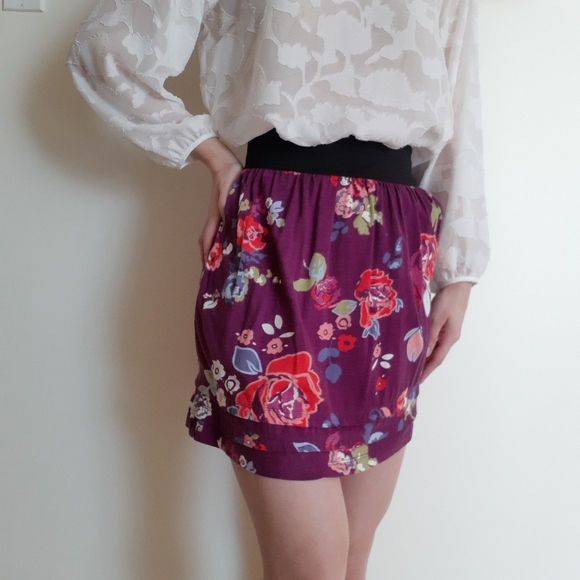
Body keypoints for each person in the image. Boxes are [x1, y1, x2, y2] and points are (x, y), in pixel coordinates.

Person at [68, 1, 489, 578]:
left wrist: (459, 273)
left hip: (390, 254)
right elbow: (106, 49)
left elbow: (459, 104)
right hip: (274, 235)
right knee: (311, 565)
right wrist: (214, 157)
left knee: (353, 554)